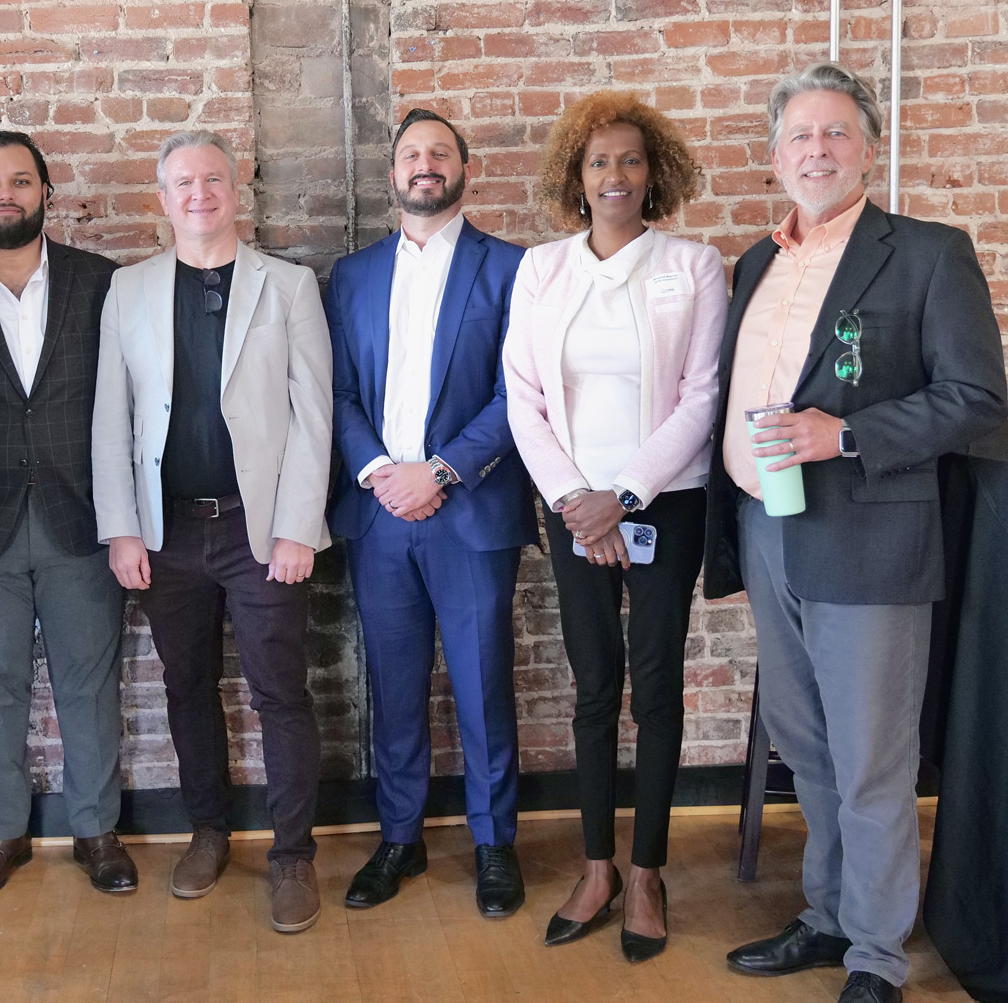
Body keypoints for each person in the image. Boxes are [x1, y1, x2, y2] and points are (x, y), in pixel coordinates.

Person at [703, 62, 1006, 1003]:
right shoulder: (755, 264)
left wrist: (845, 435)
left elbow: (977, 395)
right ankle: (829, 914)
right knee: (807, 746)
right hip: (767, 528)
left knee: (873, 759)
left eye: (837, 132)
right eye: (800, 134)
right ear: (775, 156)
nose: (818, 149)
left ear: (870, 150)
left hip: (870, 540)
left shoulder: (928, 253)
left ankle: (877, 955)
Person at [91, 130, 333, 933]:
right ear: (163, 199)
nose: (199, 193)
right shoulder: (128, 290)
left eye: (213, 180)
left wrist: (297, 527)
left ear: (237, 190)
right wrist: (122, 530)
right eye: (183, 183)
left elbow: (313, 418)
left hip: (259, 532)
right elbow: (111, 419)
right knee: (185, 685)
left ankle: (292, 856)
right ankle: (208, 831)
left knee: (280, 691)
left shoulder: (288, 285)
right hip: (166, 534)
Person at [504, 91, 727, 960]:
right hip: (572, 507)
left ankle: (646, 874)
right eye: (599, 160)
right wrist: (576, 499)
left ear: (654, 171)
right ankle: (596, 867)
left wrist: (624, 496)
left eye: (631, 159)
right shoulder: (541, 270)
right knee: (594, 686)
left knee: (657, 688)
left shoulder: (694, 265)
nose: (615, 175)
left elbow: (702, 397)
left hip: (665, 503)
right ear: (577, 175)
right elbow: (523, 399)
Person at [325, 109, 537, 918]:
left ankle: (494, 843)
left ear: (464, 170)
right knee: (394, 683)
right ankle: (399, 837)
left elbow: (518, 393)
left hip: (470, 510)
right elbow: (339, 392)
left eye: (440, 153)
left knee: (483, 683)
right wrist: (381, 473)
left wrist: (442, 471)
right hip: (381, 512)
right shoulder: (352, 276)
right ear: (393, 173)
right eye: (411, 153)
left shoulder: (512, 268)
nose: (425, 164)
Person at [0, 131, 136, 899]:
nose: (4, 194)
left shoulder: (101, 283)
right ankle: (1, 837)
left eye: (19, 180)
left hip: (82, 518)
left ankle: (97, 833)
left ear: (47, 192)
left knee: (89, 684)